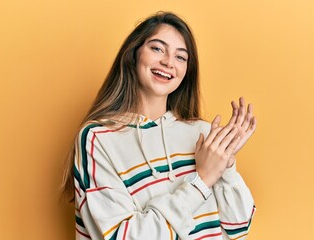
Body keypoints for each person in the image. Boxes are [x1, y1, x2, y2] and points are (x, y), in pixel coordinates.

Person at [62, 11, 257, 240]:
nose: (168, 62)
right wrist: (201, 181)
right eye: (157, 48)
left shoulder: (202, 134)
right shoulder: (98, 138)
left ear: (186, 72)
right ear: (133, 54)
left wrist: (226, 164)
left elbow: (238, 228)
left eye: (181, 57)